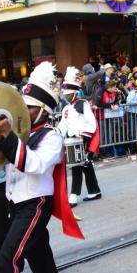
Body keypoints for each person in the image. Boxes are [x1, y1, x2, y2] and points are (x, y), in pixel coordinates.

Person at [0, 61, 83, 273]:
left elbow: (33, 164)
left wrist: (8, 138)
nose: (23, 110)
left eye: (29, 107)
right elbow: (0, 164)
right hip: (15, 203)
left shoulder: (51, 136)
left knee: (8, 261)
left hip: (35, 203)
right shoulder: (19, 134)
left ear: (42, 110)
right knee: (40, 258)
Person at [57, 67, 101, 207]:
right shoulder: (66, 109)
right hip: (72, 141)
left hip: (83, 139)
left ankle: (73, 196)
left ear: (75, 93)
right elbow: (62, 127)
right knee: (86, 164)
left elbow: (92, 124)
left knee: (77, 166)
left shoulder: (83, 104)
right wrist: (55, 134)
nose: (66, 96)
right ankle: (94, 191)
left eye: (69, 94)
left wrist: (82, 137)